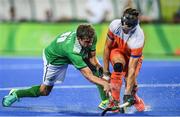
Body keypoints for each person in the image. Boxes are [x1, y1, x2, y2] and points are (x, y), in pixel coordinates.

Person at [2, 24, 110, 108]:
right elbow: (89, 76)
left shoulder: (91, 36)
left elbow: (92, 58)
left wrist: (100, 69)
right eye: (87, 42)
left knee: (96, 70)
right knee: (44, 91)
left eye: (91, 41)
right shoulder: (71, 49)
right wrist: (105, 83)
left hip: (70, 53)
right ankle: (17, 93)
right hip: (54, 59)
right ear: (79, 38)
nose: (90, 44)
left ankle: (105, 101)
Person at [103, 8, 145, 112]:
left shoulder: (138, 37)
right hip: (118, 51)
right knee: (118, 67)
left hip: (133, 58)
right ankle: (115, 102)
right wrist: (106, 71)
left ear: (134, 25)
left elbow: (131, 68)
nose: (124, 28)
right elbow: (107, 48)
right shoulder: (114, 25)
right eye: (123, 24)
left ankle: (134, 97)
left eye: (128, 27)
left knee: (130, 83)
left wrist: (127, 93)